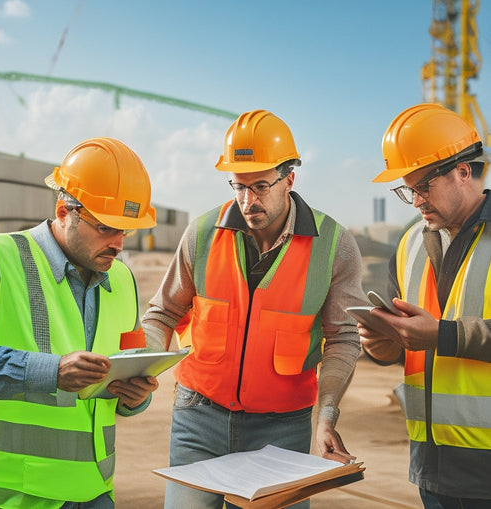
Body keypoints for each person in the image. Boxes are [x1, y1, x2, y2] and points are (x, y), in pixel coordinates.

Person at [142, 109, 365, 509]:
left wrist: (327, 414)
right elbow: (162, 313)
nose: (248, 200)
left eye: (261, 186)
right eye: (238, 186)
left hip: (283, 428)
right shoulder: (202, 235)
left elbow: (344, 339)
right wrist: (143, 364)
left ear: (290, 179)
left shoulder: (334, 245)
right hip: (198, 417)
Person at [0, 137, 159, 508]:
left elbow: (125, 371)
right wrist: (49, 371)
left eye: (126, 231)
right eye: (105, 227)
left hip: (91, 492)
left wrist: (135, 398)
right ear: (65, 211)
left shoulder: (125, 282)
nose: (118, 244)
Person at [360, 103, 491, 509]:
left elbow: (437, 334)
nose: (415, 201)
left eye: (423, 187)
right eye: (407, 189)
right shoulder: (410, 243)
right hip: (430, 464)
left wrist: (443, 335)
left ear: (463, 172)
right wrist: (381, 345)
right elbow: (406, 345)